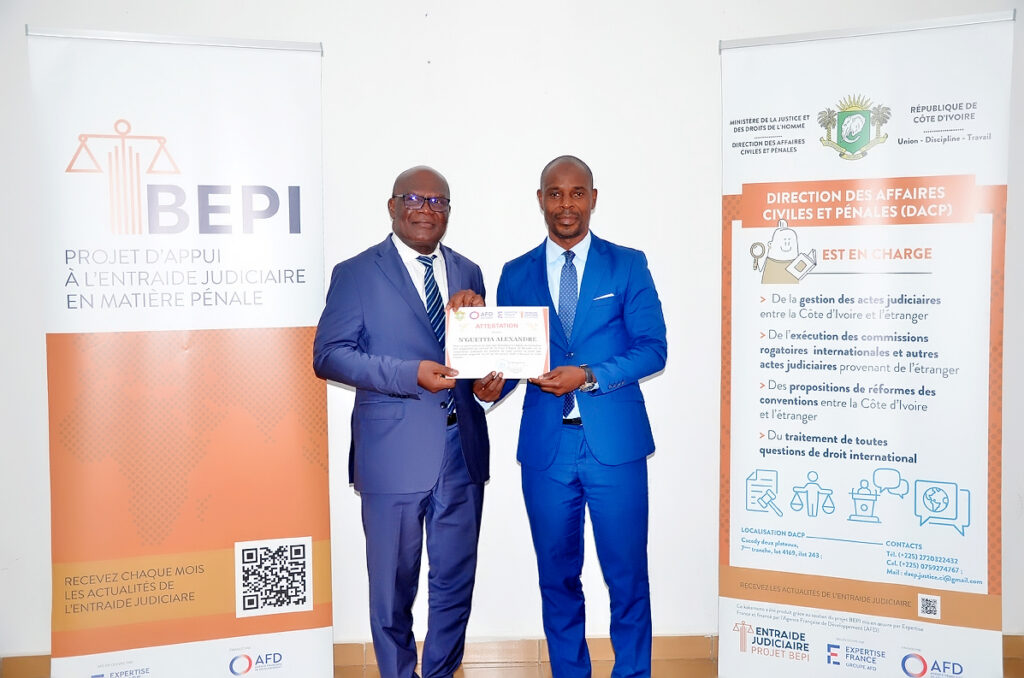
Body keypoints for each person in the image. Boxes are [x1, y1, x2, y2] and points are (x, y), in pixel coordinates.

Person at [313, 166, 504, 678]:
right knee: (391, 588)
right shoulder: (357, 273)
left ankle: (441, 672)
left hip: (462, 450)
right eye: (414, 199)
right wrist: (407, 374)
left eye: (438, 201)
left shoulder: (468, 271)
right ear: (392, 206)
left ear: (449, 211)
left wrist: (489, 385)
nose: (426, 209)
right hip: (392, 454)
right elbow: (329, 355)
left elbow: (476, 357)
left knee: (455, 582)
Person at [495, 155, 667, 678]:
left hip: (615, 445)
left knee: (627, 576)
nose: (565, 204)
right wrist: (488, 385)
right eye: (555, 193)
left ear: (593, 198)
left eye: (576, 193)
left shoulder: (627, 264)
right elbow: (511, 361)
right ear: (541, 199)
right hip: (547, 450)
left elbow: (652, 349)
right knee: (557, 577)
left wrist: (588, 375)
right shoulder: (515, 274)